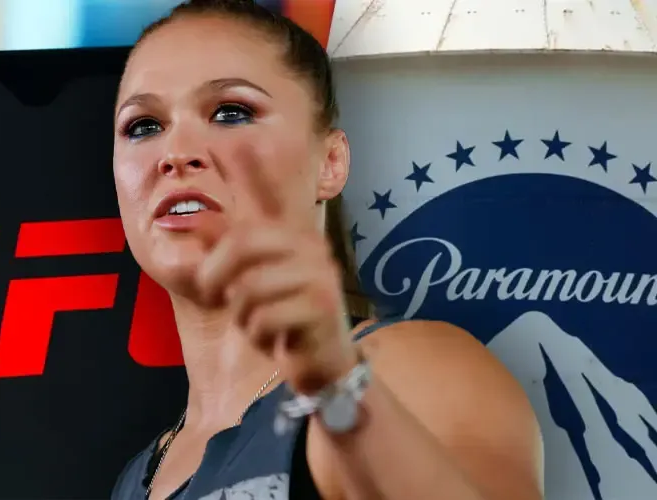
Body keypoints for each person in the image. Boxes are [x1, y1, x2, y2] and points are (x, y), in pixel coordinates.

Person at [110, 1, 543, 498]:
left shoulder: (409, 368)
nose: (175, 153)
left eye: (231, 113)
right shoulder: (136, 478)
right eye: (143, 125)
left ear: (330, 162)